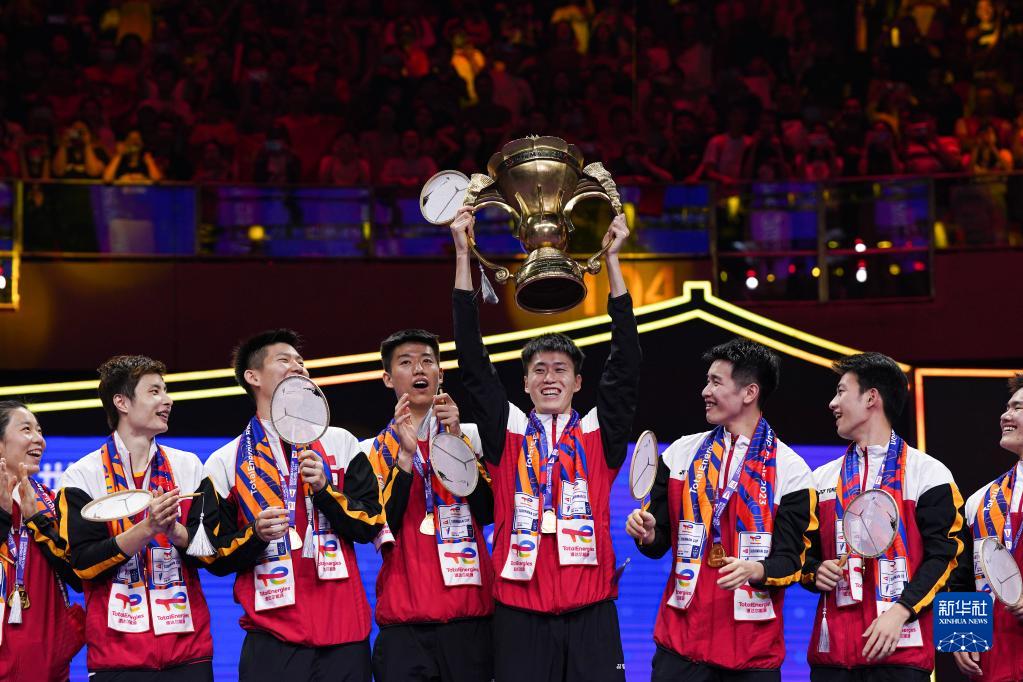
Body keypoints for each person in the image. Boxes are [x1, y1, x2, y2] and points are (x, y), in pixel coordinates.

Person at [450, 207, 640, 681]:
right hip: (519, 617)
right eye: (539, 370)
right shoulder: (508, 431)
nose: (549, 378)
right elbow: (472, 362)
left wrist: (613, 262)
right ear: (525, 383)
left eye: (560, 370)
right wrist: (462, 255)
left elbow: (626, 366)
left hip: (592, 614)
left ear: (578, 382)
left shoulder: (597, 433)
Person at [194, 329, 384, 681]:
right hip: (272, 640)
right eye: (284, 360)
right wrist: (255, 534)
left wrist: (325, 490)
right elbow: (212, 555)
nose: (298, 366)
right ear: (253, 377)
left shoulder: (341, 443)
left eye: (300, 361)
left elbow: (371, 522)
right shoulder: (224, 461)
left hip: (345, 637)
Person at [625, 339, 817, 681]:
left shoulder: (792, 472)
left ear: (749, 392)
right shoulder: (679, 454)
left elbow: (792, 560)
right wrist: (649, 533)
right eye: (707, 381)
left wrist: (756, 569)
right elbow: (659, 542)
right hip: (679, 648)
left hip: (752, 657)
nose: (705, 391)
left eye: (716, 382)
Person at [802, 353, 964, 681]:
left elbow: (946, 558)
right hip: (832, 658)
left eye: (841, 391)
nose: (832, 403)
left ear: (871, 397)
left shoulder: (928, 473)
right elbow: (803, 555)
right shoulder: (820, 479)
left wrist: (902, 610)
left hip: (901, 654)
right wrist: (814, 571)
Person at [60, 356, 214, 680]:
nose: (167, 400)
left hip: (189, 654)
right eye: (154, 391)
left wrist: (174, 531)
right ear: (122, 402)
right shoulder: (82, 476)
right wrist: (147, 529)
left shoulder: (189, 467)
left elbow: (212, 550)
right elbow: (82, 564)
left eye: (165, 391)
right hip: (117, 658)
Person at [363, 329, 495, 681]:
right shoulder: (370, 451)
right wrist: (406, 457)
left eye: (427, 361)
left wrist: (456, 442)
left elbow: (488, 512)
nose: (419, 369)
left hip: (470, 618)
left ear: (441, 373)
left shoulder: (472, 436)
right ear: (388, 378)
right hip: (404, 625)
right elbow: (380, 525)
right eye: (406, 362)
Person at [0, 401, 84, 682]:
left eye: (39, 430)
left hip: (47, 666)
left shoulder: (54, 503)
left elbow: (79, 576)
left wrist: (38, 520)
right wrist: (3, 515)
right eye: (26, 429)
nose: (39, 440)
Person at [947, 374, 1023, 681]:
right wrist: (959, 635)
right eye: (1007, 407)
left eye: (1018, 408)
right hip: (994, 664)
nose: (1005, 415)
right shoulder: (980, 500)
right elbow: (961, 574)